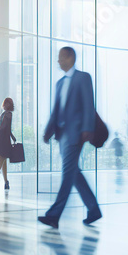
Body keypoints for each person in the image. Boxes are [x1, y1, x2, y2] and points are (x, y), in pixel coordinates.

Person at [38, 47, 102, 228]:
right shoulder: (59, 83)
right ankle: (93, 209)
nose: (58, 61)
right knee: (74, 173)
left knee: (67, 174)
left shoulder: (83, 78)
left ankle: (53, 215)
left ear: (71, 57)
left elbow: (89, 104)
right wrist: (48, 131)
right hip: (62, 135)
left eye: (61, 58)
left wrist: (87, 129)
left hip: (77, 133)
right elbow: (56, 110)